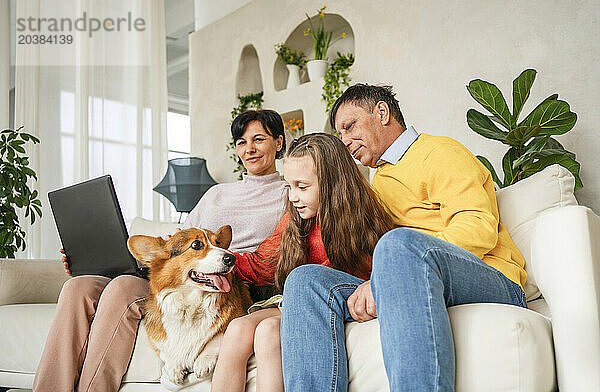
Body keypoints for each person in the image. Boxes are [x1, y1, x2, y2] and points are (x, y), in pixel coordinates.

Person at [280, 84, 528, 392]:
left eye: (349, 126)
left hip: (491, 277)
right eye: (339, 133)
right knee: (305, 281)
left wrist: (390, 268)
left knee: (397, 245)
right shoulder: (377, 181)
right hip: (409, 276)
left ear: (382, 113)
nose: (344, 140)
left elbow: (478, 226)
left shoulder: (438, 151)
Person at [33, 109, 288, 392]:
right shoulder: (217, 193)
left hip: (224, 275)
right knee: (77, 286)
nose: (249, 149)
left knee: (120, 290)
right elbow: (183, 239)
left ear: (278, 143)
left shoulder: (289, 195)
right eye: (241, 142)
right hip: (176, 271)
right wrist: (89, 260)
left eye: (258, 139)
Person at [210, 133, 394, 392]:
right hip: (293, 302)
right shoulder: (295, 220)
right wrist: (211, 260)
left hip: (335, 303)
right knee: (238, 329)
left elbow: (381, 275)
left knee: (267, 333)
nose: (294, 197)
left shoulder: (363, 220)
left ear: (331, 183)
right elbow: (260, 265)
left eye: (302, 187)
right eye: (289, 186)